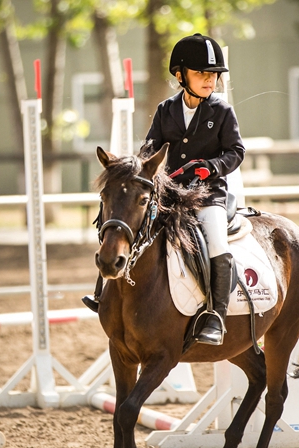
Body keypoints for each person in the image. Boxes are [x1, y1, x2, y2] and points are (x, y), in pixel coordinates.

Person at [83, 33, 245, 346]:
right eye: (202, 73)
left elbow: (236, 151)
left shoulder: (222, 111)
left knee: (215, 241)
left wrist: (211, 166)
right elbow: (150, 148)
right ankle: (102, 290)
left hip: (208, 195)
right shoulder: (165, 110)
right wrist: (139, 166)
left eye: (213, 75)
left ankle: (216, 315)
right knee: (126, 223)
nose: (210, 80)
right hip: (168, 194)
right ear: (181, 76)